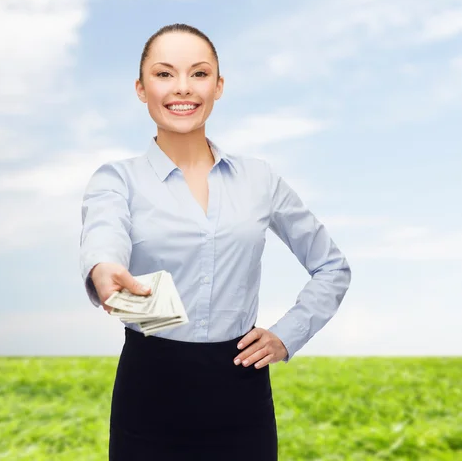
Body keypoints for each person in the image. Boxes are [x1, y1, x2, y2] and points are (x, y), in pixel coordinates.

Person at [79, 23, 352, 460]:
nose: (182, 88)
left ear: (219, 86)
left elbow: (332, 267)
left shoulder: (260, 178)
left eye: (199, 73)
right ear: (140, 87)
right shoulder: (117, 179)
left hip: (241, 390)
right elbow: (104, 232)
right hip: (149, 388)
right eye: (164, 74)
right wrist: (103, 268)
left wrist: (286, 335)